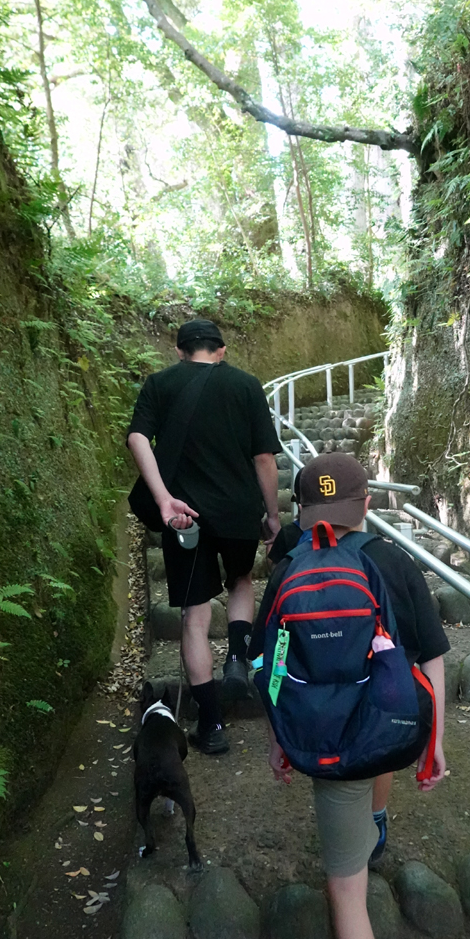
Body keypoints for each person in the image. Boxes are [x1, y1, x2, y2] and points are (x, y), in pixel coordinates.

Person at [250, 453, 448, 939]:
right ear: (367, 505)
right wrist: (436, 740)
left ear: (300, 512)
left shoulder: (288, 568)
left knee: (345, 883)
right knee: (383, 723)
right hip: (394, 728)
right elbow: (432, 656)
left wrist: (277, 740)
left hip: (326, 739)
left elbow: (270, 665)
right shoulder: (396, 561)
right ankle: (379, 819)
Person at [127, 318, 282, 755]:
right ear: (222, 349)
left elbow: (137, 436)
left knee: (194, 617)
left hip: (184, 519)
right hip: (238, 511)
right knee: (241, 581)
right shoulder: (246, 385)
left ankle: (212, 726)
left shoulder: (160, 383)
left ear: (179, 351)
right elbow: (265, 458)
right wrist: (272, 515)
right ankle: (236, 657)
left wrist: (162, 499)